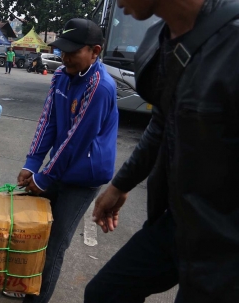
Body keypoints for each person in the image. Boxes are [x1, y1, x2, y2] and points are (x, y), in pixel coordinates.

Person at [85, 0, 239, 302]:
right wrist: (120, 184)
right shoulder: (161, 39)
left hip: (227, 243)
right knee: (104, 293)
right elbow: (163, 122)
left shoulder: (232, 43)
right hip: (179, 224)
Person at [11, 18, 118, 302]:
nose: (65, 57)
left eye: (73, 51)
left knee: (56, 242)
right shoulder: (61, 77)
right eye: (62, 50)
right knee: (34, 231)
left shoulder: (100, 87)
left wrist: (43, 179)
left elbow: (76, 139)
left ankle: (36, 299)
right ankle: (23, 284)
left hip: (83, 176)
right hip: (58, 166)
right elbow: (48, 122)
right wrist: (31, 164)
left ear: (95, 52)